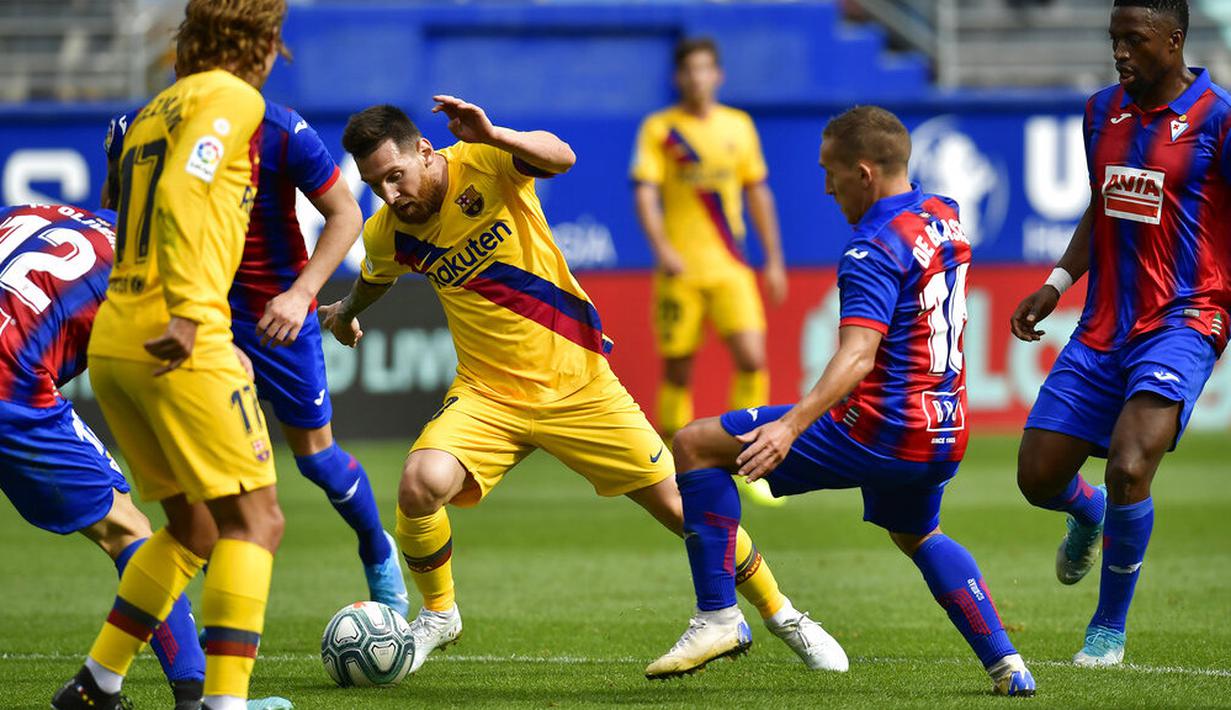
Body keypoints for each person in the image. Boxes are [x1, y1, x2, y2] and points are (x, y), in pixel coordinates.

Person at [318, 98, 846, 674]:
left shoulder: (483, 162)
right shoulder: (389, 232)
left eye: (396, 176)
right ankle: (439, 615)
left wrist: (496, 132)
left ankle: (783, 614)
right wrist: (346, 312)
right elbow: (373, 280)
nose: (390, 195)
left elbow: (562, 156)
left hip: (579, 386)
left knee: (681, 507)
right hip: (487, 395)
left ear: (424, 151)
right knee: (420, 483)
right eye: (376, 185)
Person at [646, 106, 1036, 696]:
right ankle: (1008, 664)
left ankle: (718, 617)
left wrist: (791, 428)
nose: (826, 187)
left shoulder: (871, 247)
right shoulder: (944, 215)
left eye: (830, 173)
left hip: (880, 427)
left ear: (863, 174)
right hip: (946, 427)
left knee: (695, 444)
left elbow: (858, 357)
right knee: (918, 534)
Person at [53, 2, 291, 708]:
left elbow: (121, 202)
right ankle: (225, 703)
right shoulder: (231, 97)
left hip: (118, 334)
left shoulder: (155, 109)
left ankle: (97, 681)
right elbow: (187, 190)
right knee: (259, 520)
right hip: (173, 329)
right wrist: (193, 316)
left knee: (193, 525)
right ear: (260, 40)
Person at [103, 92, 408, 616]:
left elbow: (345, 214)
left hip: (276, 317)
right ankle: (217, 647)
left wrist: (301, 295)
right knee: (215, 485)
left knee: (318, 462)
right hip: (194, 317)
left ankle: (378, 551)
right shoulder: (135, 124)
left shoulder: (280, 129)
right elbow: (117, 214)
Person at [1010, 0, 1231, 667]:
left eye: (1133, 40)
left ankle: (1106, 630)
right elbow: (1100, 205)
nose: (1119, 51)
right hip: (1104, 322)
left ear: (1172, 40)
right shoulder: (1098, 112)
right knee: (1036, 477)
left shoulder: (1218, 118)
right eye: (1113, 39)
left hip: (1187, 316)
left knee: (1132, 464)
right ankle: (1090, 512)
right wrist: (1054, 283)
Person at [0, 204, 207, 709]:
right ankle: (194, 694)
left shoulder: (29, 210)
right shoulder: (141, 270)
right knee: (129, 529)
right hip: (11, 390)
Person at [630, 37, 787, 507]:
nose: (698, 78)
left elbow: (759, 192)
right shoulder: (661, 130)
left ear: (717, 75)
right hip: (681, 271)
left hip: (731, 267)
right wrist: (662, 248)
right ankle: (673, 468)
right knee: (678, 371)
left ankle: (748, 463)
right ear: (679, 77)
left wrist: (775, 259)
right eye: (689, 70)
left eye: (705, 69)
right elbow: (644, 193)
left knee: (753, 358)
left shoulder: (738, 126)